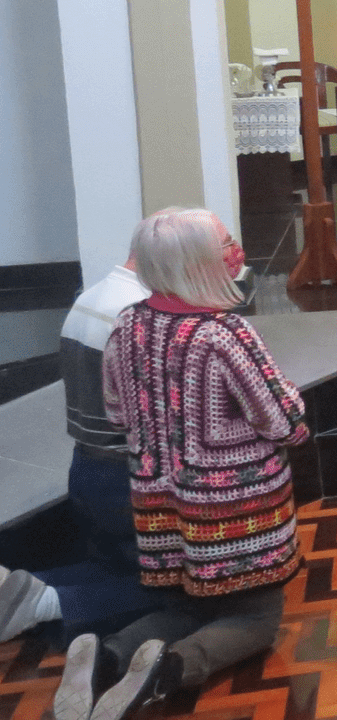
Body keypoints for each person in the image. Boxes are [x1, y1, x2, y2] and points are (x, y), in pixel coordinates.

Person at [91, 209, 308, 720]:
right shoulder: (222, 333)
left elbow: (116, 411)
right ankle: (175, 669)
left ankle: (112, 653)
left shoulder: (127, 326)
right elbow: (285, 421)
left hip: (157, 502)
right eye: (227, 243)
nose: (237, 251)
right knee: (257, 618)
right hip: (234, 509)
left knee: (185, 606)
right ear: (197, 262)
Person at [0, 234, 160, 659]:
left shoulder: (92, 296)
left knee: (111, 569)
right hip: (122, 475)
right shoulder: (133, 313)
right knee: (179, 591)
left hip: (87, 465)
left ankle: (15, 590)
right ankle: (50, 604)